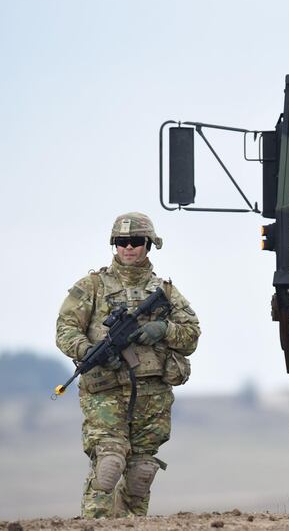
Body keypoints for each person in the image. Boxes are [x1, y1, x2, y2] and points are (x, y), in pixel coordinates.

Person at [56, 212, 200, 518]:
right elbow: (65, 329)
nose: (128, 248)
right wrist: (88, 349)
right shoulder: (92, 286)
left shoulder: (166, 292)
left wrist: (163, 330)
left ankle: (131, 524)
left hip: (152, 395)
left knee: (141, 473)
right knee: (109, 463)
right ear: (114, 245)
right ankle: (94, 523)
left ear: (149, 245)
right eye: (121, 242)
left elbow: (191, 335)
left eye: (136, 241)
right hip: (105, 391)